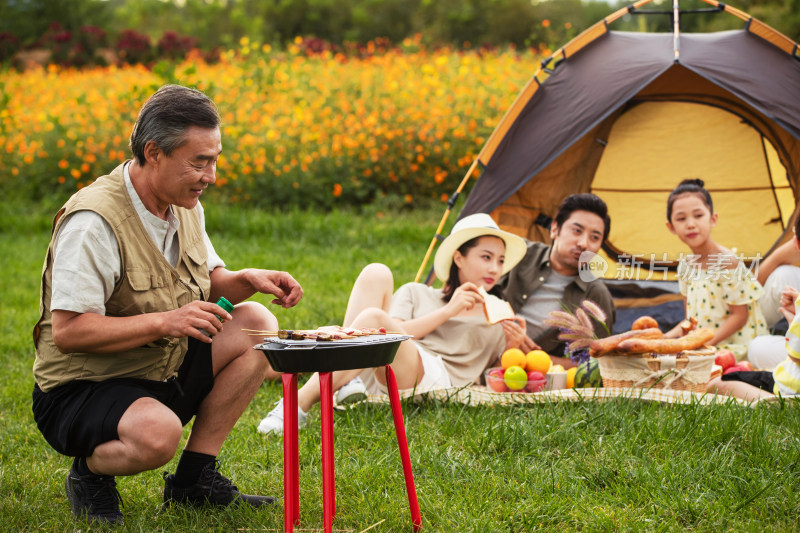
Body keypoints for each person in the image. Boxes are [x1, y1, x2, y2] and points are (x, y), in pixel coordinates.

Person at [31, 84, 303, 524]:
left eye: (214, 159)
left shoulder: (183, 201)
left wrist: (245, 281)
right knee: (160, 436)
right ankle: (89, 473)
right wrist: (165, 322)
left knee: (256, 323)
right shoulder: (93, 222)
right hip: (82, 388)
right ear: (154, 152)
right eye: (199, 161)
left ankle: (194, 481)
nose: (210, 175)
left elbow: (208, 282)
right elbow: (69, 331)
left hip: (160, 367)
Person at [257, 213, 529, 434]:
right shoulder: (417, 292)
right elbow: (392, 336)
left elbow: (494, 383)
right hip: (381, 366)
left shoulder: (499, 314)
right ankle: (346, 379)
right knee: (377, 273)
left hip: (431, 378)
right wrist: (449, 310)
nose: (495, 268)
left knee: (372, 321)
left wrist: (513, 347)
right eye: (486, 257)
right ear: (459, 257)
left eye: (501, 261)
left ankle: (296, 405)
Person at [500, 193, 616, 369]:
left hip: (533, 377)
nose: (584, 244)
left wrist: (536, 359)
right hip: (481, 348)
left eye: (594, 237)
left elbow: (599, 363)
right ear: (555, 229)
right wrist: (505, 326)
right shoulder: (517, 253)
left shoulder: (595, 295)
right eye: (577, 231)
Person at [664, 179, 767, 353]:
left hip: (734, 345)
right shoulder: (685, 267)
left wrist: (704, 345)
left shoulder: (727, 262)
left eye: (698, 216)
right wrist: (665, 338)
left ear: (713, 219)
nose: (690, 224)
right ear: (671, 227)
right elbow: (689, 320)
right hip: (702, 343)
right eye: (681, 218)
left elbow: (739, 316)